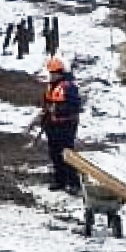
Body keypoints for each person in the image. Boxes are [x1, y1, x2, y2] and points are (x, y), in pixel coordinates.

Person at [38, 55, 82, 194]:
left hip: (66, 126)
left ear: (60, 73)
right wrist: (45, 118)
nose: (51, 76)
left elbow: (75, 107)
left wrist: (57, 109)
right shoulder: (51, 87)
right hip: (52, 126)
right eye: (50, 73)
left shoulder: (69, 87)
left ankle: (74, 183)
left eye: (54, 73)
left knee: (67, 154)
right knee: (55, 154)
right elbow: (47, 104)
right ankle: (60, 181)